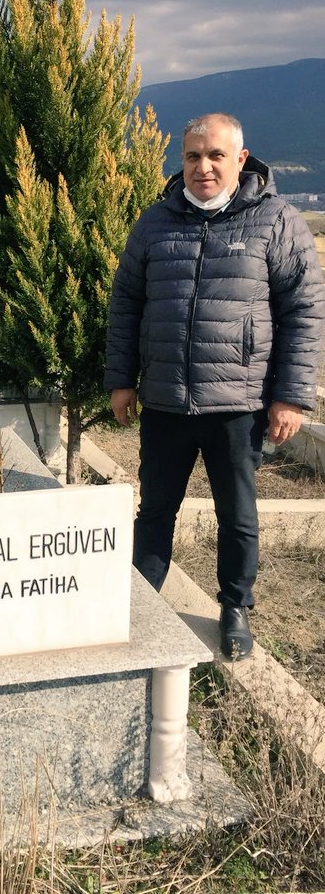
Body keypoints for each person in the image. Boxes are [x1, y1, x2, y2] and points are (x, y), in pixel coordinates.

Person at [105, 112, 325, 659]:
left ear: (240, 159)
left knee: (237, 514)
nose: (203, 167)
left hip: (239, 403)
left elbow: (304, 310)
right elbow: (126, 303)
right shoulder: (155, 223)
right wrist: (120, 380)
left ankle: (234, 607)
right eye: (192, 157)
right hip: (164, 399)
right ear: (181, 162)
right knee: (155, 509)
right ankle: (139, 601)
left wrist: (292, 396)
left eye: (215, 156)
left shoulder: (276, 222)